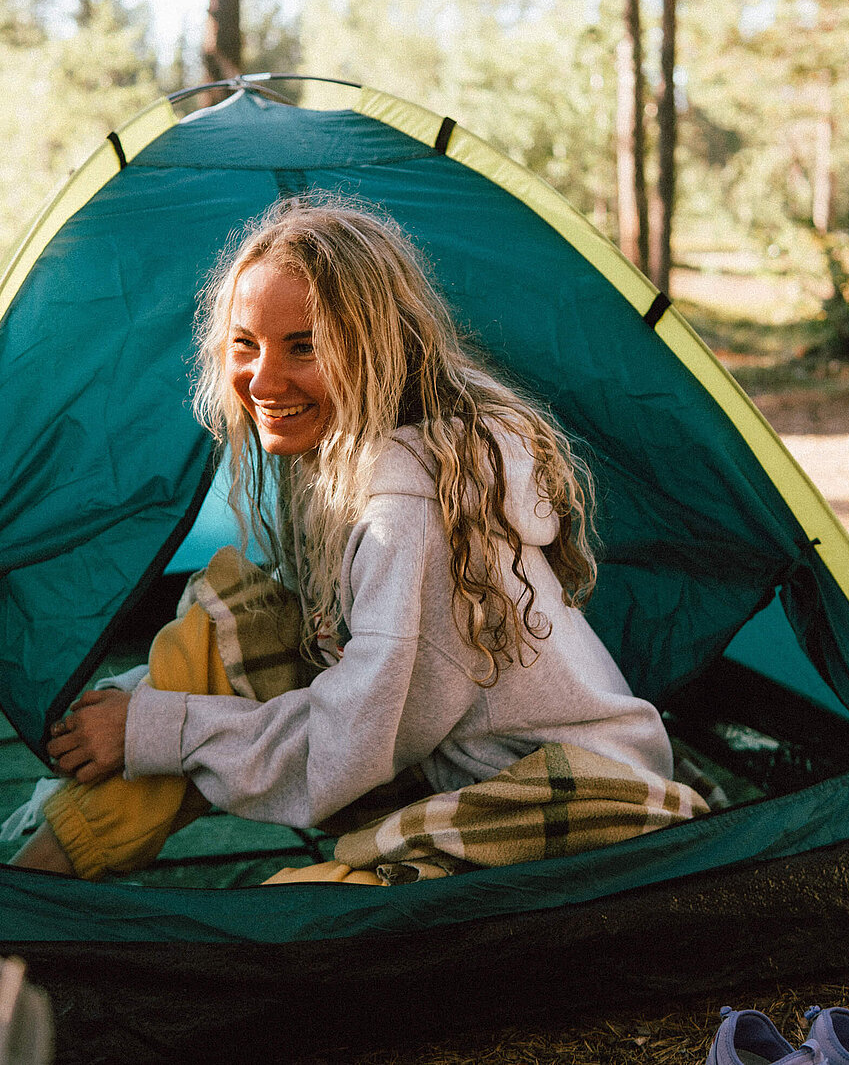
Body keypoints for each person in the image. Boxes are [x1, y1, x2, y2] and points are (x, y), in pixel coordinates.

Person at [12, 198, 678, 880]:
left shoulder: (410, 517)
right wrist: (138, 714)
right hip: (447, 769)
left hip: (579, 803)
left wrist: (158, 729)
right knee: (225, 631)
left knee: (301, 928)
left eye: (304, 346)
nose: (264, 381)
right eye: (246, 343)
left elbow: (347, 744)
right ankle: (31, 898)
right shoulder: (339, 460)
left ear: (378, 351)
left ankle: (38, 907)